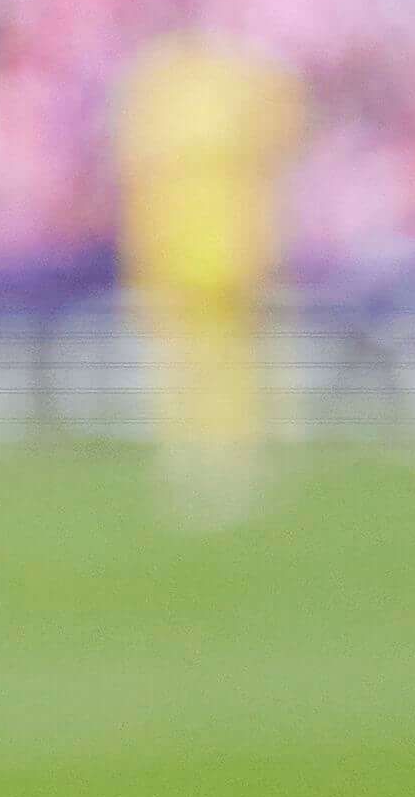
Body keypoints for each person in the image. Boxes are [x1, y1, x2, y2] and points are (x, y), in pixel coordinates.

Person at [107, 34, 297, 523]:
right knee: (183, 356)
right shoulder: (161, 89)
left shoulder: (220, 86)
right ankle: (192, 455)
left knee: (230, 355)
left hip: (225, 239)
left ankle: (229, 456)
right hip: (178, 239)